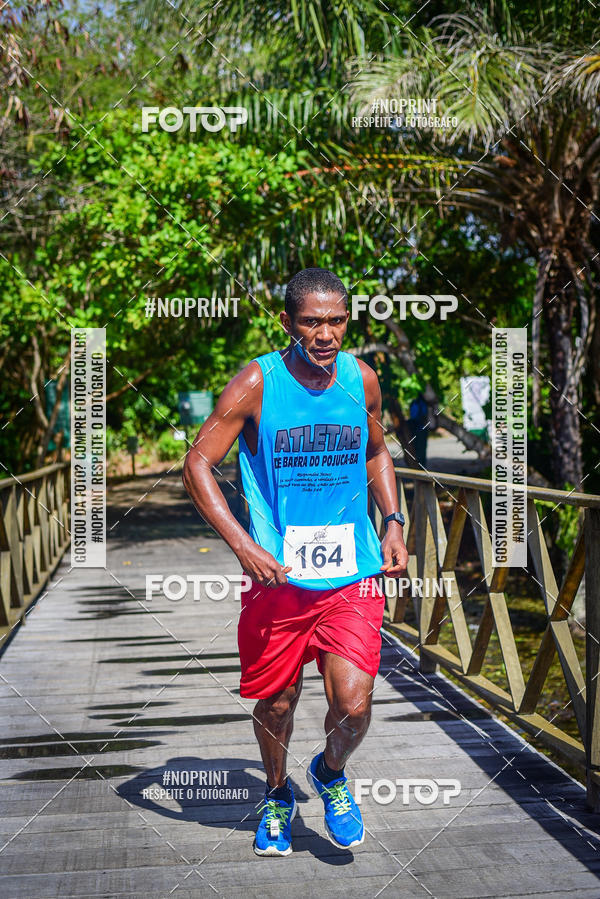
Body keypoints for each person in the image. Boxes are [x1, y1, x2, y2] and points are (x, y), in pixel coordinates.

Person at [183, 268, 408, 857]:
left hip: (352, 575)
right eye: (312, 321)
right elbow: (196, 464)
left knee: (353, 705)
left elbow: (379, 452)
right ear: (287, 322)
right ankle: (278, 793)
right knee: (277, 701)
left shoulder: (361, 378)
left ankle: (330, 772)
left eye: (336, 320)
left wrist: (393, 522)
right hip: (278, 581)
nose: (326, 333)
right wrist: (243, 544)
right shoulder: (259, 382)